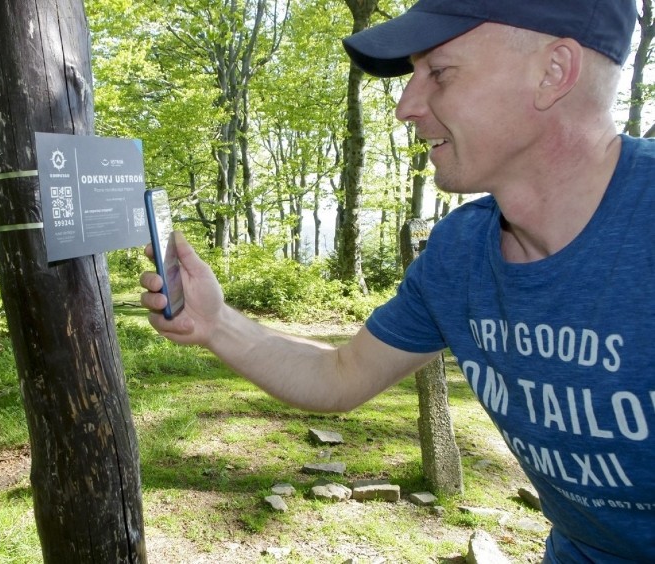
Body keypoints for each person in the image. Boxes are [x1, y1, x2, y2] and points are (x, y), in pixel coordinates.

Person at [140, 0, 655, 561]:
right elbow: (339, 375)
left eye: (439, 72)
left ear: (553, 72)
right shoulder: (461, 251)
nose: (406, 107)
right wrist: (215, 324)